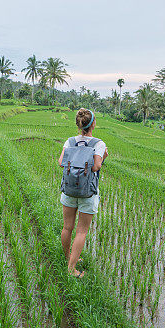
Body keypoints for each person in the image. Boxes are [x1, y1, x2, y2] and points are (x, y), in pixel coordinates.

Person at [58, 108, 108, 278]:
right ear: (93, 123)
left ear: (79, 124)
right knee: (81, 231)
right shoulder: (98, 144)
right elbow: (96, 167)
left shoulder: (69, 141)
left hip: (69, 189)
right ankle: (72, 269)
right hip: (88, 192)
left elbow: (61, 163)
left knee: (67, 227)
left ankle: (68, 258)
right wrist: (104, 157)